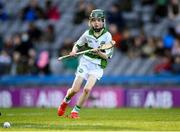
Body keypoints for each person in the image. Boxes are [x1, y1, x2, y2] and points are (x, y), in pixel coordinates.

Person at [57, 9, 114, 119]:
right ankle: (65, 101)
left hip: (97, 66)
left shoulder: (107, 36)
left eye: (98, 20)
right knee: (75, 90)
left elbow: (107, 56)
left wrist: (99, 52)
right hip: (85, 62)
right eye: (93, 20)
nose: (96, 23)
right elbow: (78, 45)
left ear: (103, 21)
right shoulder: (87, 34)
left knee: (87, 89)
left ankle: (75, 112)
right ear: (90, 22)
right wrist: (74, 51)